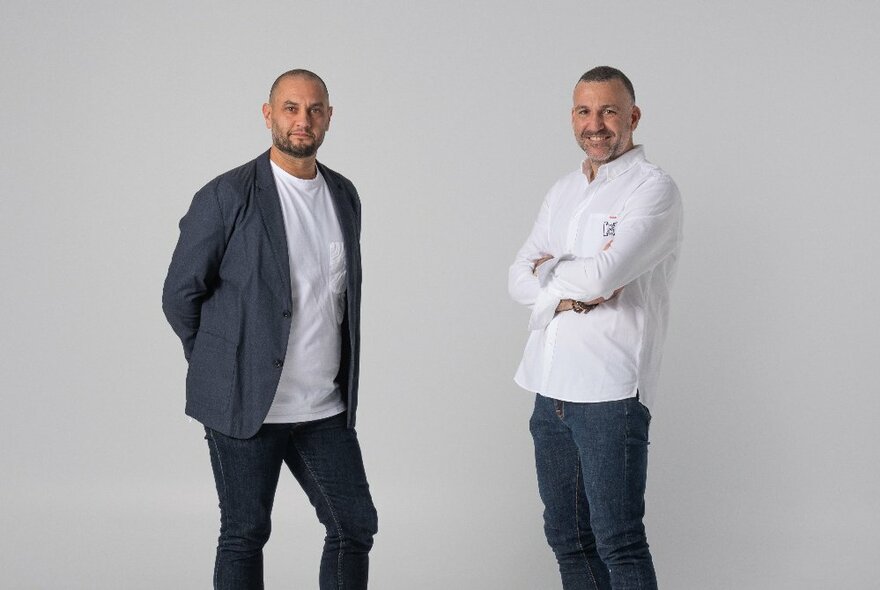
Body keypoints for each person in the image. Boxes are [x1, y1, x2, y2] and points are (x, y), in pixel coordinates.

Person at [162, 69, 377, 589]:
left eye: (314, 109)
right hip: (244, 405)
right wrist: (223, 359)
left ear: (328, 116)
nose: (303, 120)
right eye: (290, 108)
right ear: (268, 114)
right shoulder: (227, 195)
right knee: (245, 532)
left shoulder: (344, 195)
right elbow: (179, 294)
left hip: (323, 406)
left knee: (354, 526)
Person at [508, 66, 683, 590]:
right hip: (548, 387)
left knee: (618, 541)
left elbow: (604, 275)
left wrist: (552, 273)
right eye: (585, 111)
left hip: (610, 392)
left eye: (609, 110)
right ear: (572, 117)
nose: (597, 124)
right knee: (567, 537)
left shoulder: (654, 190)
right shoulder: (561, 191)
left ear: (633, 115)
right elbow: (518, 276)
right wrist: (568, 285)